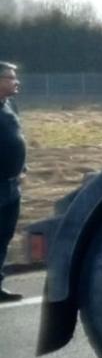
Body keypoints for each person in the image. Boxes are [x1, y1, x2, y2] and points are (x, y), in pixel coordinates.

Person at [0, 62, 24, 302]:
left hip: (12, 186)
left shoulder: (10, 105)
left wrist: (22, 168)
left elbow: (18, 136)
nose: (16, 82)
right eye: (11, 78)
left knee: (3, 236)